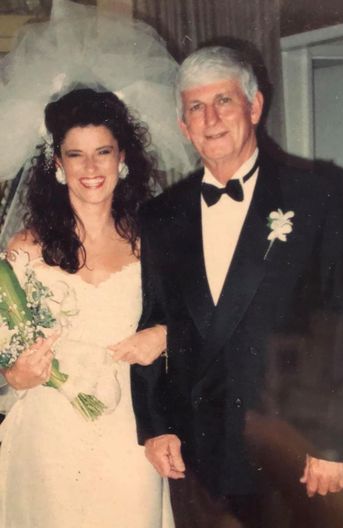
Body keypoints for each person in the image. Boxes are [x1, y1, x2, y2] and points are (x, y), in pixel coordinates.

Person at [132, 46, 343, 527]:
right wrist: (156, 428)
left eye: (223, 100)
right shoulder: (161, 215)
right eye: (195, 108)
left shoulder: (323, 193)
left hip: (291, 449)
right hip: (196, 452)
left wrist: (332, 441)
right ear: (183, 125)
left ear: (255, 106)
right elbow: (154, 322)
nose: (210, 118)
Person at [0, 88, 174, 528]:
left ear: (122, 158)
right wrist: (17, 374)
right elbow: (5, 347)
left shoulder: (154, 243)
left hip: (129, 429)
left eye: (103, 152)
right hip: (50, 428)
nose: (91, 168)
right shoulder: (27, 249)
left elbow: (194, 321)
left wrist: (165, 335)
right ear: (58, 164)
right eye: (76, 155)